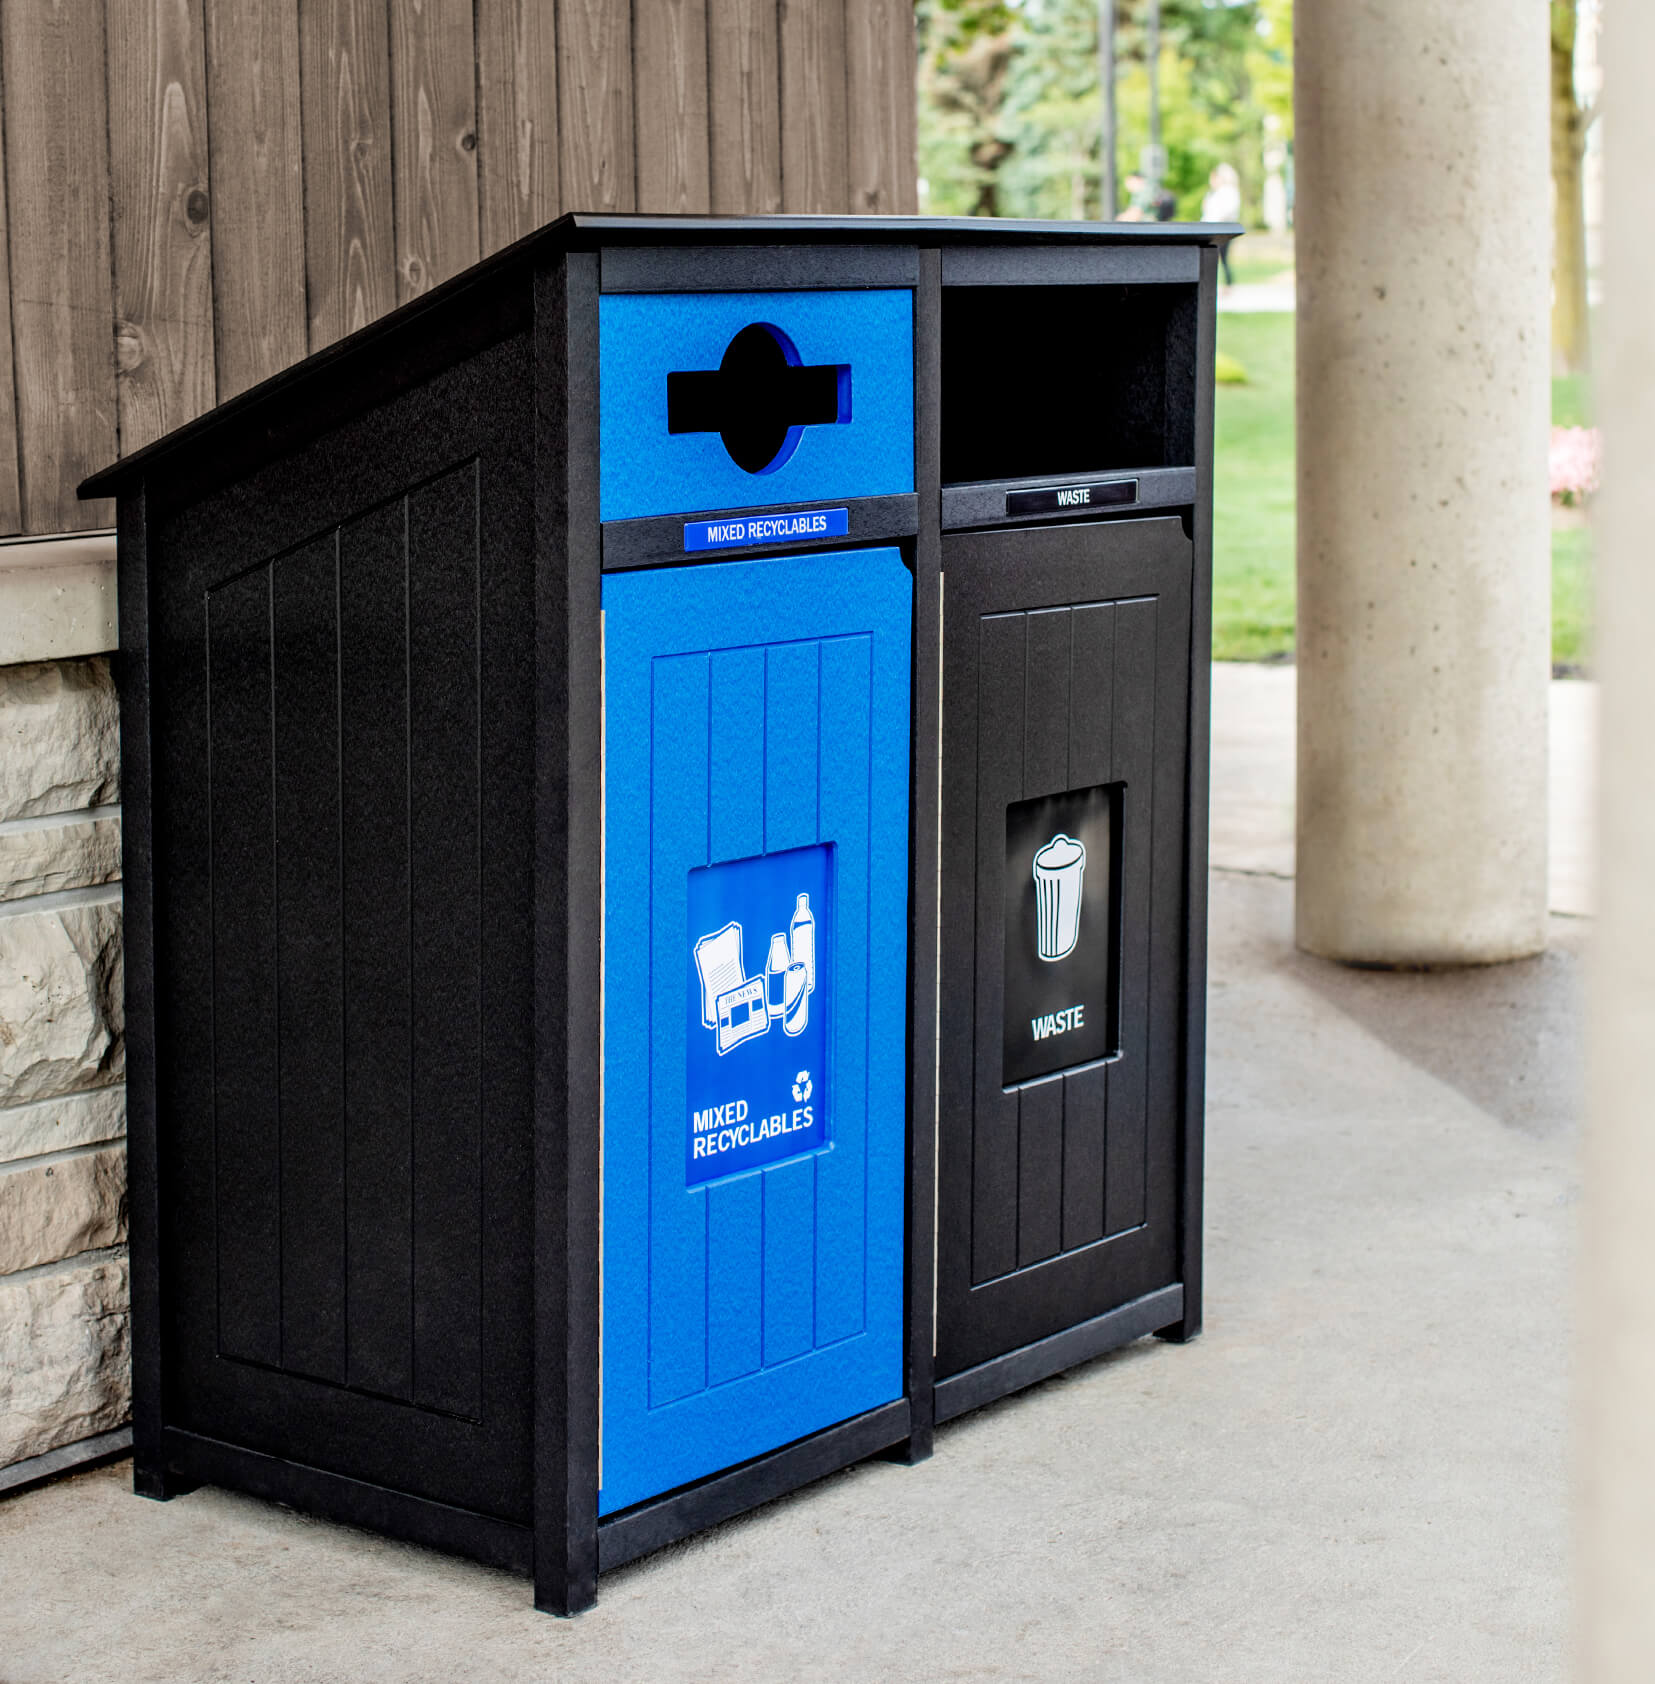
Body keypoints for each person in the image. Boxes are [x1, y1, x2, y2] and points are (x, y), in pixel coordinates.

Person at [1202, 163, 1242, 283]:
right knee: (1215, 258)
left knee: (1222, 257)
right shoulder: (1214, 193)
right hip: (1212, 227)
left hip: (1221, 228)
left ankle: (1226, 283)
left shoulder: (1228, 192)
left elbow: (1223, 212)